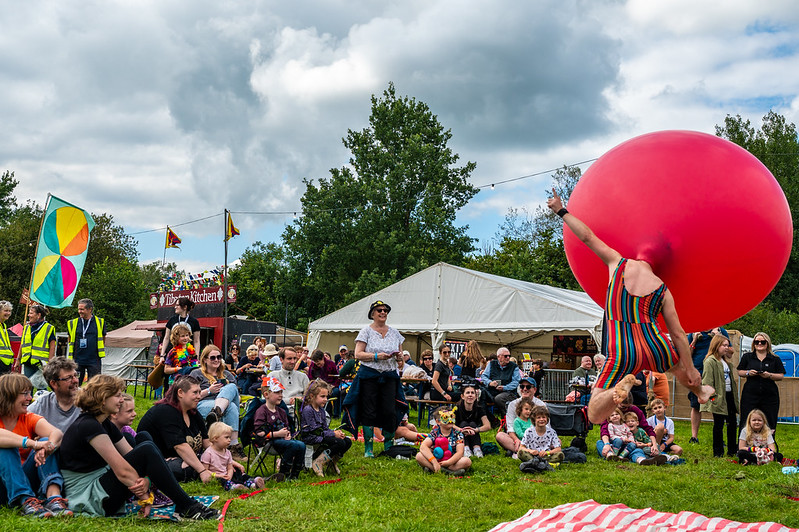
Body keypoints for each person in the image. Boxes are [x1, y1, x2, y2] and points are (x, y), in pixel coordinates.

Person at [547, 189, 713, 423]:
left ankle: (620, 387)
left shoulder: (618, 263)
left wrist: (561, 210)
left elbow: (587, 237)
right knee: (676, 367)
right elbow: (677, 334)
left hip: (622, 349)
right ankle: (701, 391)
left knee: (594, 414)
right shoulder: (663, 289)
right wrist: (692, 370)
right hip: (655, 344)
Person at [58, 374, 219, 520]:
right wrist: (145, 497)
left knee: (145, 442)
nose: (121, 400)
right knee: (146, 448)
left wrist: (146, 480)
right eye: (117, 396)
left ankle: (185, 504)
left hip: (99, 487)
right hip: (87, 497)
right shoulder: (88, 425)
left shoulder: (103, 423)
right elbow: (122, 470)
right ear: (103, 398)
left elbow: (133, 456)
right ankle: (187, 506)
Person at [343, 300, 407, 458]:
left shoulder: (395, 333)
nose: (383, 312)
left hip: (389, 376)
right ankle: (368, 448)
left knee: (390, 410)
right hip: (369, 375)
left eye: (385, 310)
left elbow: (401, 359)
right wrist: (376, 356)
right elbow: (358, 354)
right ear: (372, 314)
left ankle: (388, 446)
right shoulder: (366, 331)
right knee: (369, 410)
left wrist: (399, 358)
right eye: (379, 310)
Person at [0, 373, 69, 517]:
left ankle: (53, 497)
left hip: (24, 479)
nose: (30, 398)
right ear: (9, 395)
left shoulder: (28, 418)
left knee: (46, 441)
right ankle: (25, 499)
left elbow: (56, 433)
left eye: (29, 393)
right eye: (25, 394)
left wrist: (47, 447)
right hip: (3, 484)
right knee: (6, 447)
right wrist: (33, 444)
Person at [136, 375, 213, 483]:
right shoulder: (166, 411)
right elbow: (180, 446)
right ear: (180, 393)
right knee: (187, 468)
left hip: (182, 458)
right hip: (156, 460)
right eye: (195, 392)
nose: (199, 396)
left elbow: (206, 442)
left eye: (199, 392)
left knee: (209, 462)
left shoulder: (192, 412)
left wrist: (225, 459)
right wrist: (202, 470)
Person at [189, 345, 245, 460]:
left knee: (231, 387)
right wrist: (209, 390)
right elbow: (190, 396)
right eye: (213, 357)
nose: (216, 360)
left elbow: (238, 397)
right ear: (205, 359)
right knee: (231, 407)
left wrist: (225, 394)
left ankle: (217, 412)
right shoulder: (196, 374)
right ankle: (233, 445)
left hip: (223, 404)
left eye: (219, 357)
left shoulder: (227, 374)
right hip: (204, 403)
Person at [254, 377, 306, 481]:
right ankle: (283, 474)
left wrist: (288, 435)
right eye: (277, 392)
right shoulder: (261, 411)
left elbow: (286, 427)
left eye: (281, 392)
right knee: (293, 445)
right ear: (266, 395)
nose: (281, 395)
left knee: (301, 445)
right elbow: (259, 433)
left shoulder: (281, 411)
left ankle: (294, 474)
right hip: (269, 442)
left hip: (282, 441)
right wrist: (278, 434)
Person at [300, 380, 351, 476]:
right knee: (339, 443)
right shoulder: (308, 410)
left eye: (326, 397)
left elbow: (324, 428)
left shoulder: (321, 410)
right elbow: (314, 430)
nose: (326, 399)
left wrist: (336, 433)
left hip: (321, 435)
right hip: (311, 437)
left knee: (347, 441)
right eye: (322, 396)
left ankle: (331, 462)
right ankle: (318, 462)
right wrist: (333, 434)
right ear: (312, 396)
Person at [686, 327, 729, 443]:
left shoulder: (721, 331)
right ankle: (694, 437)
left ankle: (718, 437)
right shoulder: (694, 332)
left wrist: (718, 337)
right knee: (696, 405)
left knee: (717, 404)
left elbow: (730, 353)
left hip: (716, 373)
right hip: (698, 373)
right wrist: (694, 340)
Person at [737, 332, 784, 436]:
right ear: (753, 343)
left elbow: (781, 375)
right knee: (746, 419)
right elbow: (740, 372)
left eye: (762, 342)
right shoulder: (747, 357)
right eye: (756, 342)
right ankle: (744, 443)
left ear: (767, 343)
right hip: (750, 394)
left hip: (769, 395)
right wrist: (748, 373)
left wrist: (769, 375)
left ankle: (769, 444)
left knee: (769, 420)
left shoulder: (774, 358)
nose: (759, 344)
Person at [701, 334, 740, 457]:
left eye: (727, 345)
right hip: (718, 396)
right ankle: (718, 451)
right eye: (724, 345)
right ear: (716, 345)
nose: (726, 348)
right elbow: (707, 381)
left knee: (732, 423)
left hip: (729, 395)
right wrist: (713, 398)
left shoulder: (726, 362)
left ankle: (732, 450)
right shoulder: (710, 361)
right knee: (718, 424)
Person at [201, 422, 264, 490]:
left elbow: (230, 467)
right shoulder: (208, 453)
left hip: (226, 474)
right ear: (215, 438)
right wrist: (218, 475)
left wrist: (229, 475)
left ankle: (252, 483)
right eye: (226, 437)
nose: (229, 440)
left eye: (230, 437)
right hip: (216, 476)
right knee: (221, 481)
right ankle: (234, 487)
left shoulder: (227, 452)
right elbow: (205, 470)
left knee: (237, 472)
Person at [27, 357, 81, 433]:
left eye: (76, 375)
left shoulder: (88, 400)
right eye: (69, 378)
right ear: (54, 384)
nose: (75, 380)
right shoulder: (42, 405)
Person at [415, 406, 472, 475]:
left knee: (467, 461)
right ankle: (447, 471)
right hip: (436, 459)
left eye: (452, 416)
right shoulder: (435, 432)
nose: (450, 420)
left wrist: (449, 462)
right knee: (419, 456)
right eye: (446, 417)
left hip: (452, 461)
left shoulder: (457, 433)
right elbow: (423, 446)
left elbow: (460, 452)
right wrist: (434, 462)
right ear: (438, 422)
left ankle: (433, 469)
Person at [496, 376, 545, 456]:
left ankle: (522, 452)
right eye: (522, 386)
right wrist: (516, 440)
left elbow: (546, 426)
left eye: (528, 387)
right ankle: (529, 452)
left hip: (537, 438)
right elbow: (510, 427)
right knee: (500, 436)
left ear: (535, 390)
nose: (524, 389)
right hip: (518, 438)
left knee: (558, 441)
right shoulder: (512, 404)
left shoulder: (541, 405)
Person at [66, 298, 106, 384]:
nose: (79, 311)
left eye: (82, 309)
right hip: (77, 359)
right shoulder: (72, 323)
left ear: (90, 309)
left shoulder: (100, 322)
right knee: (75, 384)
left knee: (95, 385)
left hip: (94, 359)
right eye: (79, 309)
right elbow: (70, 339)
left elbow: (103, 338)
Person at [14, 304, 56, 383]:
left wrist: (50, 364)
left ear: (39, 315)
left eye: (31, 313)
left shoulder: (49, 328)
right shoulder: (26, 327)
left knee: (41, 387)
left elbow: (52, 347)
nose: (28, 315)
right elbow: (22, 344)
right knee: (27, 386)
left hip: (42, 364)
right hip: (28, 363)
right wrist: (18, 360)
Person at [480, 347, 521, 416]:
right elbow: (484, 376)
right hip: (492, 391)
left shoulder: (514, 366)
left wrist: (505, 387)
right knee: (480, 395)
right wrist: (489, 383)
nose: (508, 358)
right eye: (506, 356)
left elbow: (516, 382)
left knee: (499, 398)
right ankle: (487, 418)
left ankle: (507, 417)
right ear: (499, 357)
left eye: (509, 356)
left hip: (508, 392)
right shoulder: (491, 364)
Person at [454, 384, 490, 458]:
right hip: (460, 435)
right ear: (462, 396)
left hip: (474, 434)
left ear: (476, 396)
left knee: (472, 424)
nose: (470, 395)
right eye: (468, 393)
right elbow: (450, 425)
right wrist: (462, 430)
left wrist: (475, 430)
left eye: (472, 393)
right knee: (463, 423)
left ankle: (477, 449)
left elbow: (488, 426)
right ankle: (465, 448)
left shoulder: (479, 408)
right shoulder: (457, 408)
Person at [271, 347, 310, 414]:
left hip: (300, 410)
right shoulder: (272, 376)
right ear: (281, 360)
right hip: (279, 411)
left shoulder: (303, 376)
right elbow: (268, 398)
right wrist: (289, 400)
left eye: (294, 358)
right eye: (289, 359)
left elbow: (309, 397)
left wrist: (299, 401)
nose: (293, 361)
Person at [307, 349, 341, 417]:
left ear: (322, 358)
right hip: (319, 386)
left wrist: (334, 385)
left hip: (331, 386)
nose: (318, 365)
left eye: (319, 363)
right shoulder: (313, 366)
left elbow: (337, 377)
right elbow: (310, 378)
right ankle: (325, 412)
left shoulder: (331, 364)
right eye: (316, 363)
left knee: (336, 392)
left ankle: (336, 414)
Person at [0, 301, 14, 375]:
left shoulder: (4, 325)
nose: (8, 313)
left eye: (9, 311)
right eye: (5, 311)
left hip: (6, 361)